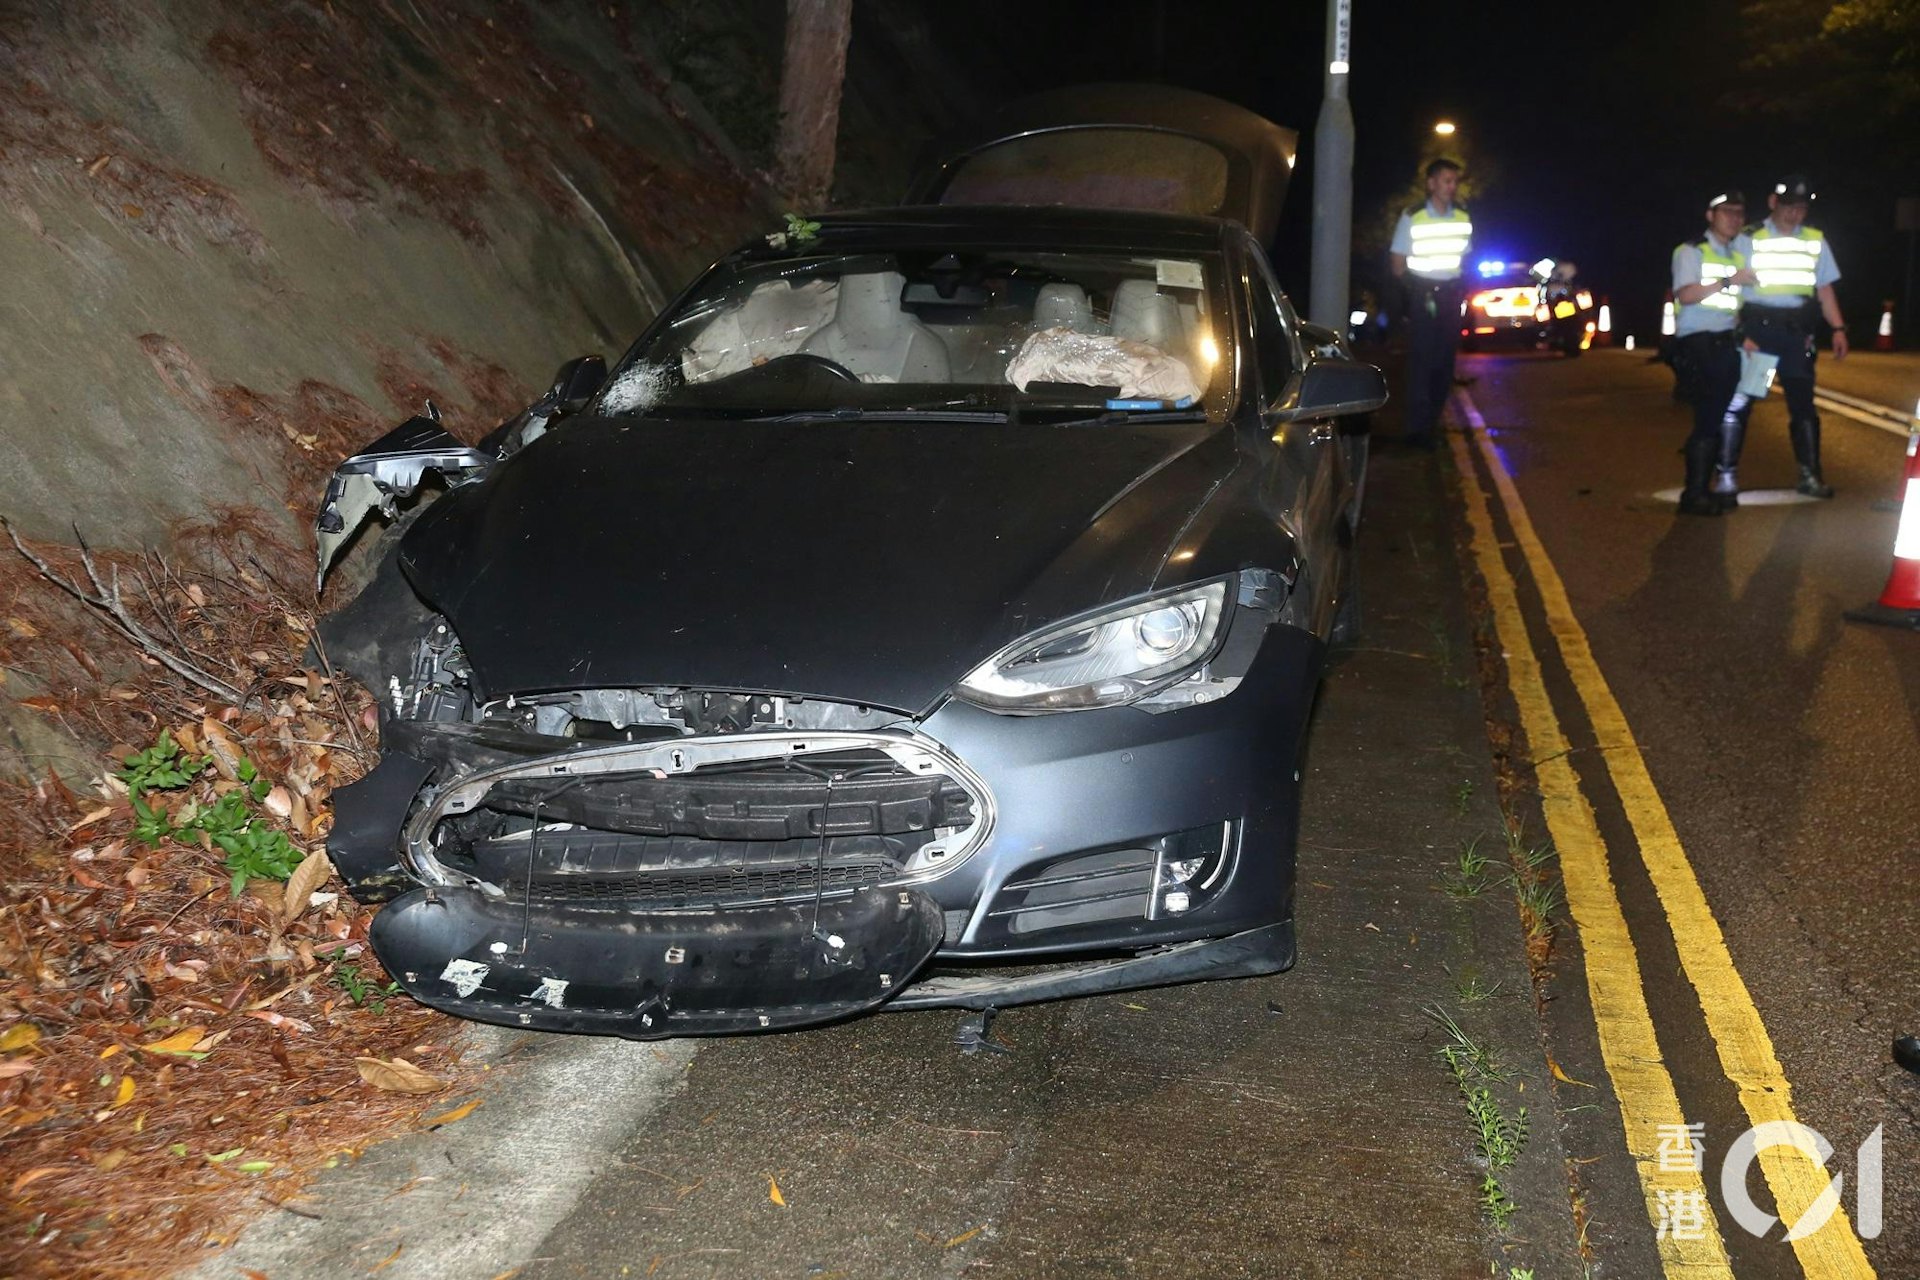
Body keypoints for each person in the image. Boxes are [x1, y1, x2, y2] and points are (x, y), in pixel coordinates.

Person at [1740, 175, 1847, 497]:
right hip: (1759, 331)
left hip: (1795, 333)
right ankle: (1724, 473)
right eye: (1788, 207)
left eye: (1800, 209)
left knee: (1802, 404)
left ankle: (1810, 474)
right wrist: (1739, 331)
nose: (1794, 214)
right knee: (1743, 401)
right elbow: (1733, 288)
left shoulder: (1815, 240)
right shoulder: (1748, 238)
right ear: (1773, 203)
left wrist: (1838, 328)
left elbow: (1824, 288)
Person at [1668, 190, 1758, 514]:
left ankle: (1704, 489)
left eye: (1739, 212)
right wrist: (1729, 280)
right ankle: (1694, 494)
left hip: (1726, 341)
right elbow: (1687, 294)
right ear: (1710, 215)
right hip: (1699, 342)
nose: (1734, 218)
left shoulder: (1737, 255)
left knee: (1718, 416)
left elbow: (1735, 307)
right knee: (1708, 417)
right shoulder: (1691, 251)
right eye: (1726, 212)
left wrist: (1744, 336)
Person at [1390, 158, 1473, 449]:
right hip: (1423, 293)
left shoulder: (1462, 215)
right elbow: (1398, 261)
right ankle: (1416, 431)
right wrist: (1412, 290)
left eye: (1454, 181)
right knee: (1422, 361)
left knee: (1443, 362)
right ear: (1432, 184)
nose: (1452, 186)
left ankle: (1432, 425)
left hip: (1450, 294)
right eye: (1447, 180)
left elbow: (1465, 255)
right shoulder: (1413, 216)